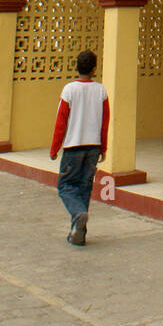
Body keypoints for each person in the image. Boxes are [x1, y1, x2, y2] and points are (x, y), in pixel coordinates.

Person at [49, 49, 109, 246]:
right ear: (94, 69)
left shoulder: (69, 90)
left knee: (65, 187)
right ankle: (78, 233)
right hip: (93, 146)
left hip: (73, 146)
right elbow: (105, 122)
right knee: (84, 188)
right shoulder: (101, 90)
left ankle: (78, 214)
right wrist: (103, 148)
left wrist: (54, 148)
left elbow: (61, 122)